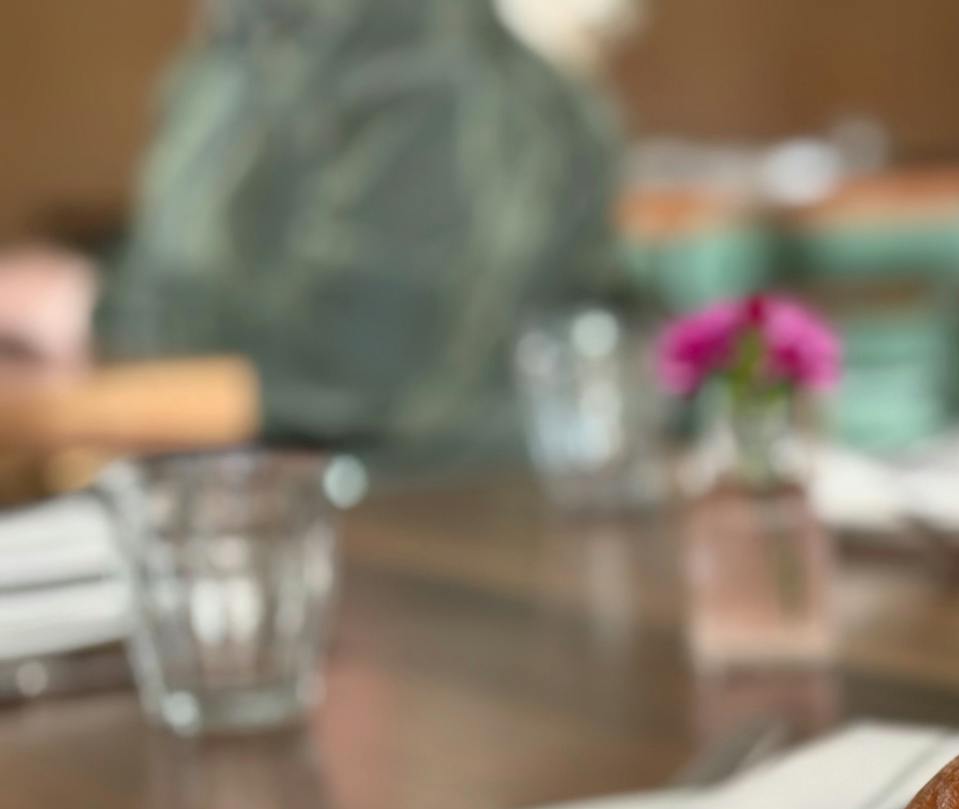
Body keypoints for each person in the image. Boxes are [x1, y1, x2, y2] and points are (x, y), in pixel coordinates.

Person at [0, 0, 630, 465]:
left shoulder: (424, 55)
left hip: (417, 535)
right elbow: (205, 265)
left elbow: (359, 357)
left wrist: (94, 307)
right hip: (266, 516)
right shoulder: (265, 36)